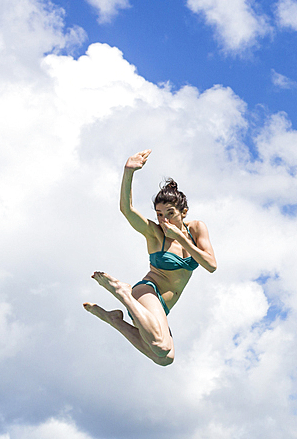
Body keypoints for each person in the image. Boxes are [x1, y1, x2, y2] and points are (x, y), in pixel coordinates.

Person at [84, 150, 217, 365]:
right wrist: (128, 173)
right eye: (159, 214)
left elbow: (211, 265)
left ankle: (114, 320)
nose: (164, 219)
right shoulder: (155, 234)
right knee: (161, 346)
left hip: (163, 306)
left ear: (184, 212)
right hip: (147, 291)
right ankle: (122, 293)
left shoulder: (197, 228)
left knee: (165, 359)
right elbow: (127, 210)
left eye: (170, 213)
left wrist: (181, 239)